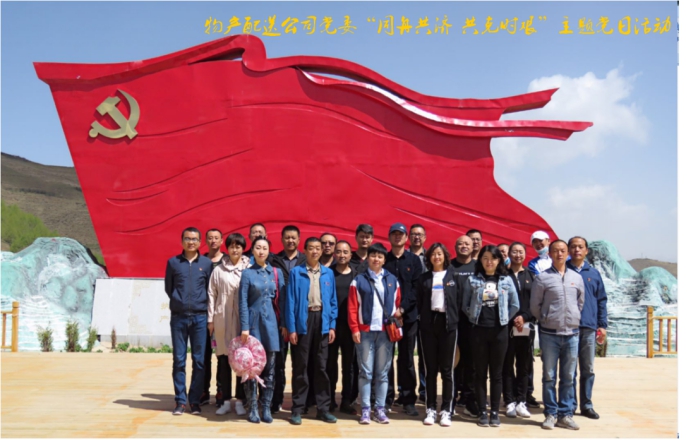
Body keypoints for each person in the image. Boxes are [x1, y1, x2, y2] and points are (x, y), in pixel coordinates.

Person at [462, 245, 519, 428]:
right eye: (485, 258)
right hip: (479, 331)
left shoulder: (506, 280)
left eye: (493, 258)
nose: (489, 262)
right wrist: (474, 317)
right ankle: (482, 412)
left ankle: (494, 411)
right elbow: (465, 304)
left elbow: (515, 304)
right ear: (480, 260)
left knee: (497, 374)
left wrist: (504, 319)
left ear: (498, 260)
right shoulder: (472, 280)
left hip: (499, 332)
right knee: (480, 373)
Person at [530, 240, 585, 431]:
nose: (559, 254)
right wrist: (547, 318)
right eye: (555, 251)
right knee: (549, 376)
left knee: (568, 376)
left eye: (562, 250)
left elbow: (580, 303)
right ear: (550, 254)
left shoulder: (576, 277)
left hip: (572, 334)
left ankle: (565, 414)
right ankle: (551, 414)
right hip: (549, 334)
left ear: (567, 253)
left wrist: (573, 318)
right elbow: (535, 306)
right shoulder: (542, 278)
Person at [285, 237, 338, 425]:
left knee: (321, 366)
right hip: (303, 320)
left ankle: (323, 409)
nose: (315, 251)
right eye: (311, 248)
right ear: (305, 251)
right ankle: (298, 409)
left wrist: (332, 325)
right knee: (301, 366)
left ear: (322, 251)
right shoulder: (296, 272)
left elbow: (332, 301)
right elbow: (290, 301)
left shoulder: (328, 273)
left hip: (322, 320)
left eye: (318, 248)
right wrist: (292, 328)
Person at [348, 243, 402, 425]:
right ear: (368, 258)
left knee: (383, 373)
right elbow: (352, 307)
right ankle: (365, 409)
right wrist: (355, 328)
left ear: (384, 260)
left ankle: (379, 409)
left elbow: (397, 303)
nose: (376, 259)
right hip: (365, 332)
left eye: (380, 256)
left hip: (386, 333)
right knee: (365, 372)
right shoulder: (358, 280)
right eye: (373, 256)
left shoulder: (392, 280)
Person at [164, 227, 214, 416]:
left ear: (200, 242)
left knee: (199, 361)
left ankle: (194, 400)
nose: (191, 242)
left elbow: (210, 289)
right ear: (182, 241)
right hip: (179, 317)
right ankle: (180, 400)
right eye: (187, 238)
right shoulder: (173, 263)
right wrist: (179, 301)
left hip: (200, 317)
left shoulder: (207, 264)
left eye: (194, 239)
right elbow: (169, 288)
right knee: (179, 360)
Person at [238, 236, 286, 423]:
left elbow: (282, 300)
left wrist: (283, 324)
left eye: (264, 248)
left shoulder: (276, 272)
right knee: (251, 368)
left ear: (269, 251)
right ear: (252, 250)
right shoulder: (247, 274)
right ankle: (252, 408)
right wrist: (244, 327)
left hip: (272, 324)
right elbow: (242, 302)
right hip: (252, 325)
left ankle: (266, 406)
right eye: (258, 247)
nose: (261, 251)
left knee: (270, 369)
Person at [208, 233, 251, 416]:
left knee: (241, 361)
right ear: (227, 248)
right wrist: (210, 319)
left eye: (238, 246)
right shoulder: (219, 270)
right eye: (232, 246)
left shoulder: (249, 268)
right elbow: (211, 294)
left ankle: (240, 400)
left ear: (243, 248)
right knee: (223, 360)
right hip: (222, 319)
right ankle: (225, 400)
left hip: (242, 321)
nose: (235, 249)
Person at [417, 243, 460, 427]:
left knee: (447, 370)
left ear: (445, 256)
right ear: (429, 257)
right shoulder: (424, 278)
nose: (436, 257)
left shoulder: (453, 276)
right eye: (433, 254)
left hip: (448, 324)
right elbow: (419, 301)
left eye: (440, 254)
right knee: (430, 370)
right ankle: (431, 409)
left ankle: (446, 410)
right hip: (428, 324)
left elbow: (459, 300)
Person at [384, 223, 422, 416]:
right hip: (387, 318)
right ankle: (387, 398)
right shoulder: (384, 259)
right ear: (389, 237)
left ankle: (408, 399)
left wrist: (402, 309)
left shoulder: (414, 261)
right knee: (386, 359)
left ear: (406, 238)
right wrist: (391, 311)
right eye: (394, 234)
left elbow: (416, 289)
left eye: (401, 234)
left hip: (408, 317)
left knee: (406, 358)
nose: (397, 237)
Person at [567, 236, 607, 420]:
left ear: (586, 250)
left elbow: (601, 300)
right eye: (573, 247)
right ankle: (569, 405)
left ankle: (586, 405)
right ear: (569, 250)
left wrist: (602, 325)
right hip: (568, 328)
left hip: (589, 327)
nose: (577, 250)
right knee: (569, 370)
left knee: (588, 369)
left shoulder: (594, 273)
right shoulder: (563, 270)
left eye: (580, 247)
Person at [502, 242, 535, 419]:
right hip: (506, 326)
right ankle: (509, 401)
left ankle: (522, 400)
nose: (517, 255)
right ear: (509, 254)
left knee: (524, 366)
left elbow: (535, 302)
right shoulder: (502, 275)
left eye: (520, 252)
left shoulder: (531, 275)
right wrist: (512, 318)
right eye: (514, 252)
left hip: (526, 327)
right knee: (506, 365)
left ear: (525, 254)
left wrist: (524, 317)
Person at [326, 240, 359, 415]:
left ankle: (347, 400)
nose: (342, 255)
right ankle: (330, 399)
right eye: (338, 252)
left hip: (350, 327)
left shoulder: (356, 275)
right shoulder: (328, 273)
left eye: (345, 252)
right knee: (330, 364)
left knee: (350, 366)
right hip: (332, 326)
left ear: (351, 255)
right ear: (334, 254)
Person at [450, 235, 479, 418]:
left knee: (472, 363)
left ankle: (469, 401)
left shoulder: (478, 267)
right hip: (453, 322)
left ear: (473, 246)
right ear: (455, 247)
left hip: (473, 323)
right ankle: (450, 401)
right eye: (460, 243)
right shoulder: (449, 266)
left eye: (467, 243)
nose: (464, 246)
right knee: (452, 363)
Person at [202, 228, 225, 407]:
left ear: (221, 240)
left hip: (222, 315)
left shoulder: (227, 261)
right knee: (203, 355)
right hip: (203, 314)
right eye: (210, 238)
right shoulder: (201, 260)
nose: (213, 241)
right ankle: (203, 390)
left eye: (216, 238)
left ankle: (221, 390)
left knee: (222, 355)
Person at [408, 224, 428, 404]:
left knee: (425, 354)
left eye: (420, 234)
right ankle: (406, 391)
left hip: (427, 311)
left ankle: (424, 390)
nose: (417, 237)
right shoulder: (404, 257)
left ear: (425, 238)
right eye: (413, 234)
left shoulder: (431, 257)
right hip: (408, 311)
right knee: (406, 354)